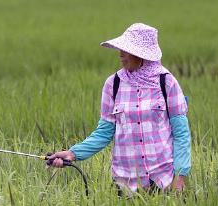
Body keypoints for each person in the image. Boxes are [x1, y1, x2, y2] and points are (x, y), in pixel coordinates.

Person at [47, 23, 192, 195]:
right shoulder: (113, 84)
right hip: (125, 183)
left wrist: (180, 177)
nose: (121, 54)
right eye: (121, 49)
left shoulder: (166, 82)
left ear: (142, 54)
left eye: (127, 50)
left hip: (163, 180)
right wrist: (72, 153)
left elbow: (181, 133)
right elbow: (104, 133)